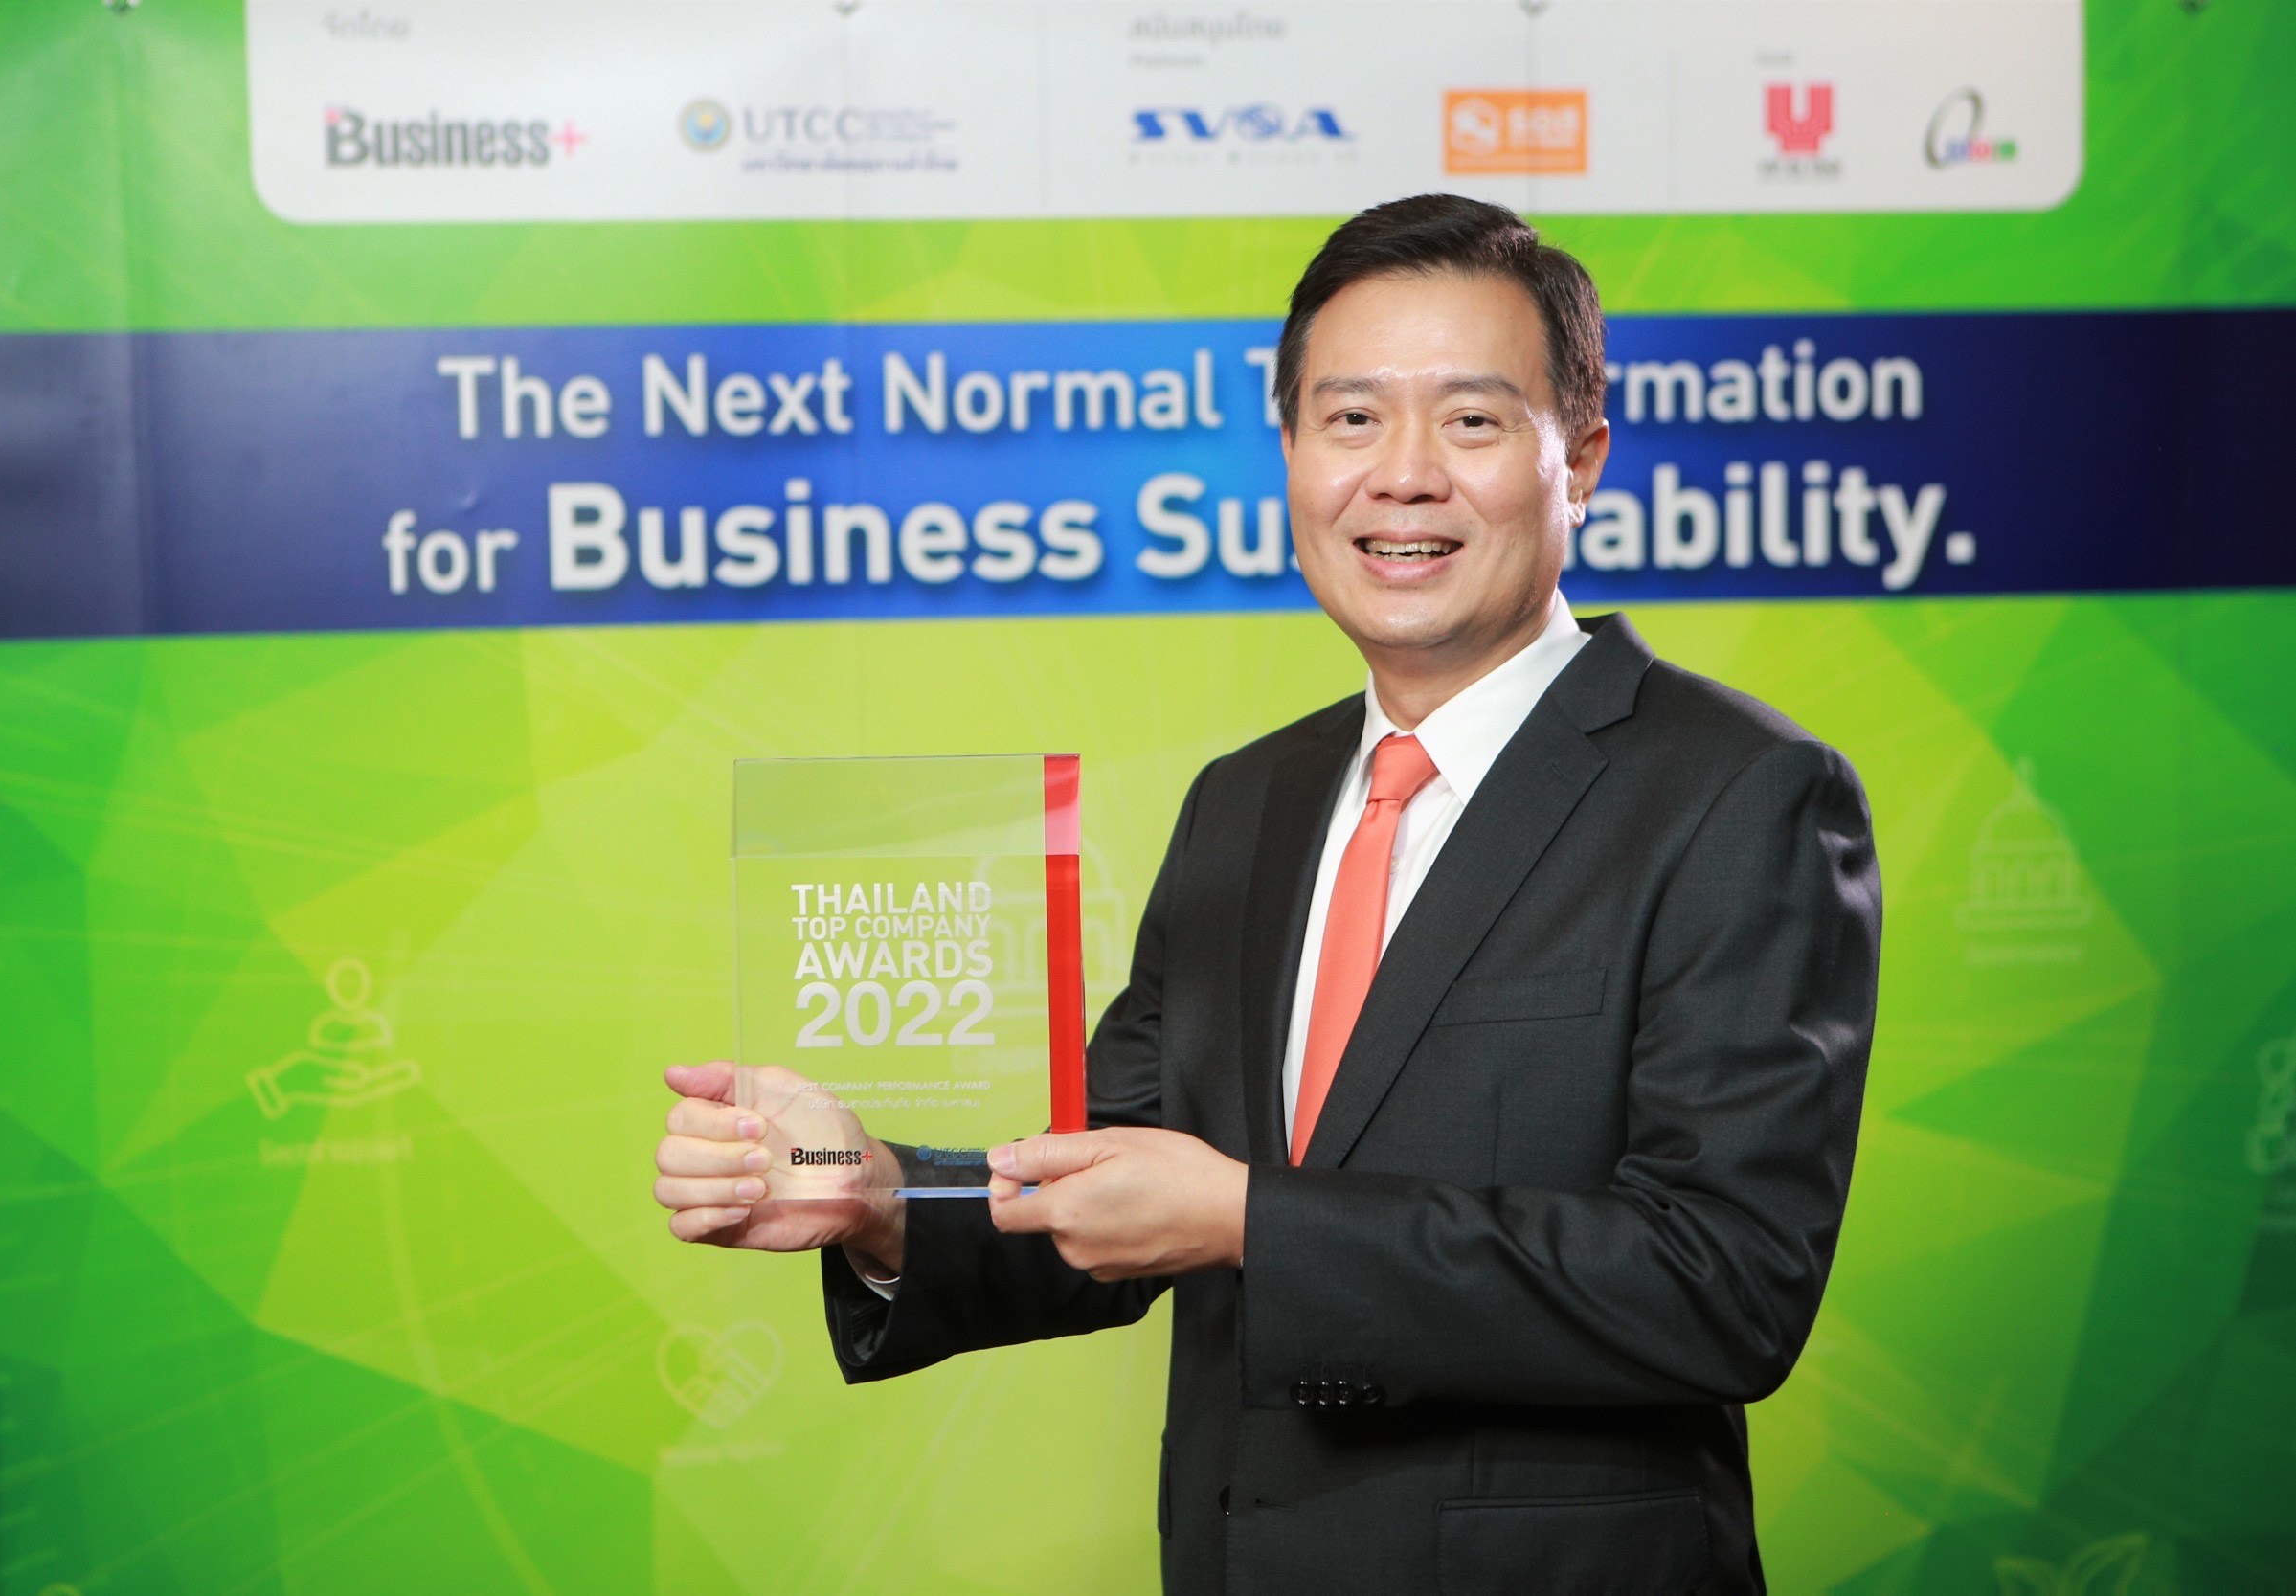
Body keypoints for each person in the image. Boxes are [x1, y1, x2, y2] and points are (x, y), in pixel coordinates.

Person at [654, 194, 1880, 1593]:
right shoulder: (1246, 803)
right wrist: (875, 1196)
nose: (1402, 476)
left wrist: (1251, 1222)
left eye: (1471, 421)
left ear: (1580, 459)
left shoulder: (1738, 793)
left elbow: (1723, 1283)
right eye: (1350, 419)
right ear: (1290, 453)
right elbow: (1117, 1179)